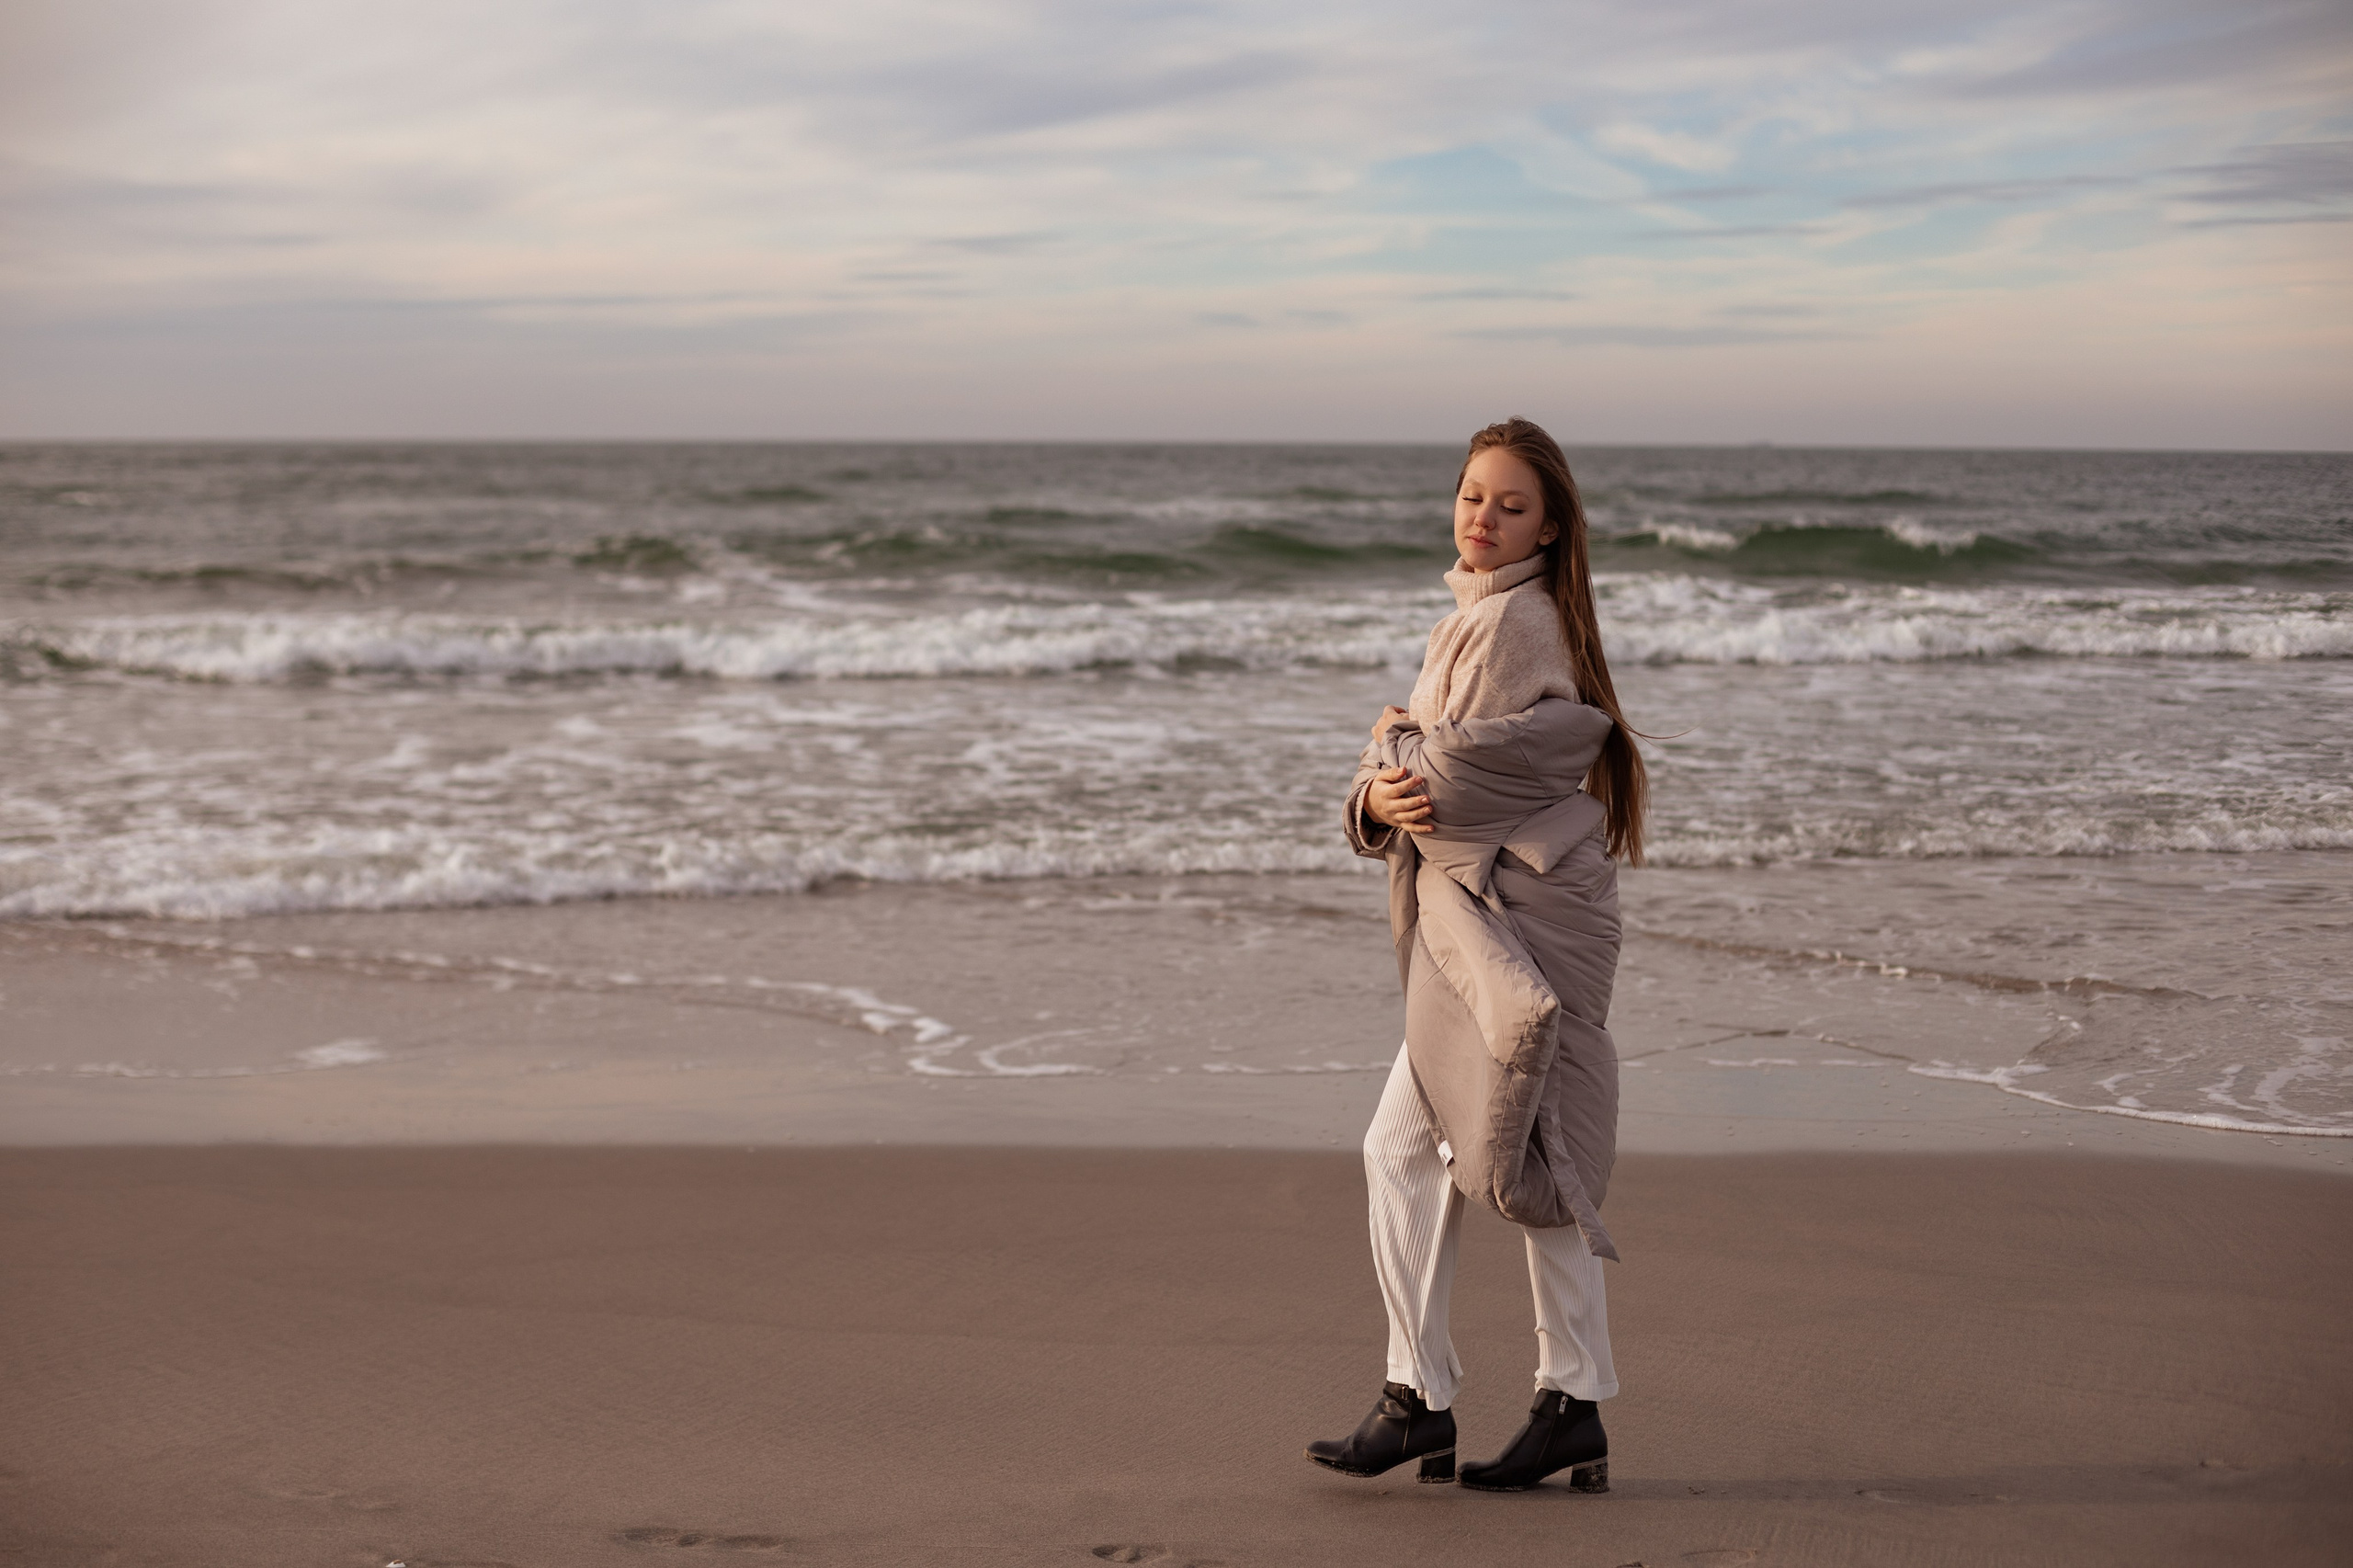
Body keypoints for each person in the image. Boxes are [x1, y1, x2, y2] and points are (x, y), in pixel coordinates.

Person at [1304, 416, 1647, 1494]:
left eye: (1509, 502)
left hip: (1519, 920)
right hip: (1482, 913)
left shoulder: (1514, 623)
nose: (1483, 516)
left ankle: (1521, 1398)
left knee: (1522, 1154)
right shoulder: (1471, 616)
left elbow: (1448, 783)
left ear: (1549, 524)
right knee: (1422, 1149)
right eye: (1470, 495)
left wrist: (1385, 752)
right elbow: (1420, 784)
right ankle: (1448, 1397)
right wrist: (1378, 779)